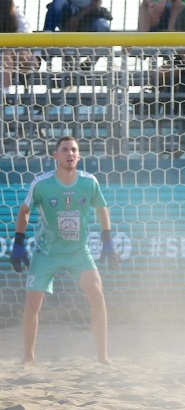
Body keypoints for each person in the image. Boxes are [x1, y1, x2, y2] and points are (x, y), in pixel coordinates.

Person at [10, 136, 120, 365]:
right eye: (65, 150)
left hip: (78, 252)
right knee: (32, 304)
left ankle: (103, 357)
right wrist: (18, 243)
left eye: (74, 150)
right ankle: (28, 357)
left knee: (97, 295)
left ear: (79, 156)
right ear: (55, 155)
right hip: (46, 252)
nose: (70, 154)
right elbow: (24, 211)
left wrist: (107, 240)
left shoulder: (89, 182)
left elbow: (101, 208)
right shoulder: (41, 184)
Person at [0, 0, 37, 97]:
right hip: (6, 60)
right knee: (4, 53)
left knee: (5, 52)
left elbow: (25, 38)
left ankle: (6, 97)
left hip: (26, 58)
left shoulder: (17, 16)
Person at [42, 0, 112, 32]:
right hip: (67, 14)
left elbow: (97, 2)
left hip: (88, 15)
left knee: (102, 25)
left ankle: (104, 50)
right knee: (59, 0)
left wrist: (77, 17)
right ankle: (46, 34)